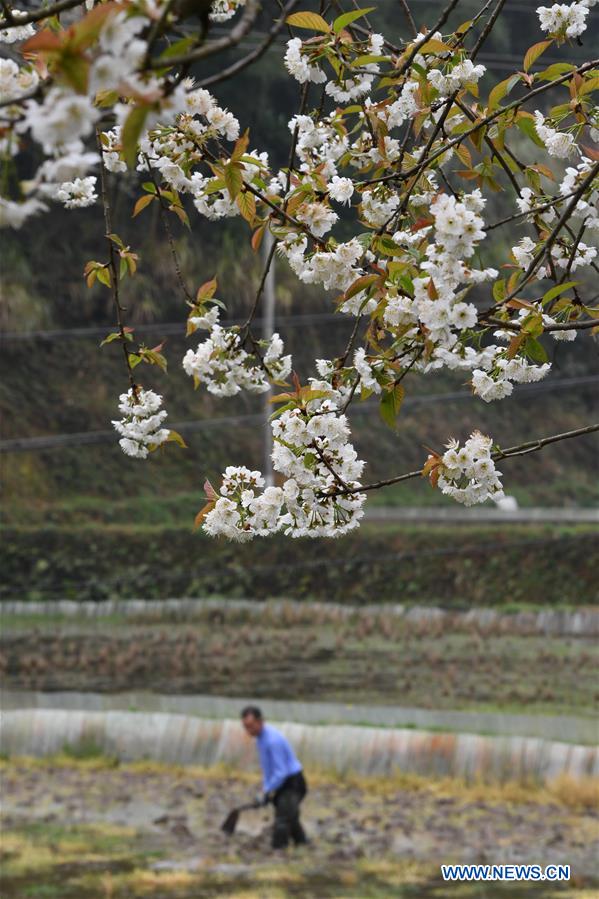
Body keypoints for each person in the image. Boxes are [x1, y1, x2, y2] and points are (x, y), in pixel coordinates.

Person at [241, 705, 308, 849]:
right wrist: (265, 791)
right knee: (291, 817)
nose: (248, 731)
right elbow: (268, 769)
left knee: (282, 821)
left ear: (261, 721)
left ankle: (277, 854)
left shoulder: (273, 740)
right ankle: (303, 845)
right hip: (283, 782)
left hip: (292, 782)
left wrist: (267, 790)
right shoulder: (260, 739)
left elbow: (280, 772)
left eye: (251, 726)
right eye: (246, 727)